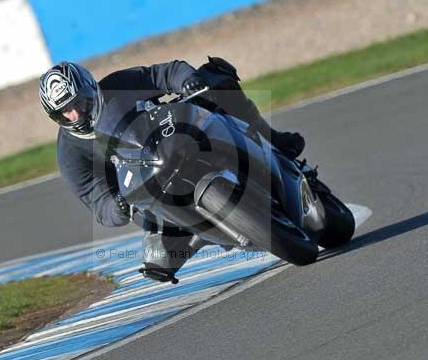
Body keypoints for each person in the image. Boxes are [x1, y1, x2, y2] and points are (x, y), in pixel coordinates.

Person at [39, 57, 306, 283]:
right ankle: (199, 232)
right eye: (65, 112)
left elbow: (164, 73)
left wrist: (187, 81)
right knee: (157, 259)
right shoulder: (69, 154)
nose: (75, 114)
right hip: (148, 189)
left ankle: (272, 139)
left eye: (79, 102)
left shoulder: (119, 84)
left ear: (90, 88)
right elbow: (96, 199)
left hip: (176, 137)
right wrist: (116, 207)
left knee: (217, 79)